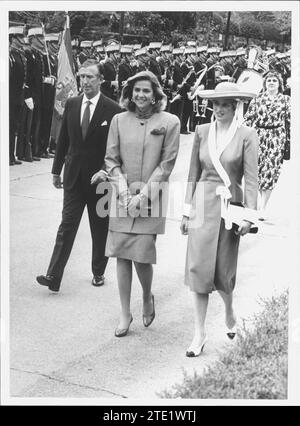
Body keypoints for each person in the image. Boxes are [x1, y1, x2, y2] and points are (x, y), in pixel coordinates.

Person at [180, 82, 259, 357]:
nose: (220, 109)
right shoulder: (202, 131)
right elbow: (193, 172)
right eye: (216, 104)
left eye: (226, 104)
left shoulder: (247, 135)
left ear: (236, 106)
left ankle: (228, 311)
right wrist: (186, 210)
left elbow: (251, 179)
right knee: (199, 270)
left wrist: (249, 215)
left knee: (224, 273)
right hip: (203, 205)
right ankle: (199, 333)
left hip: (230, 208)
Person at [103, 71, 180, 337]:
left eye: (146, 91)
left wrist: (142, 197)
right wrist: (124, 194)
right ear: (129, 93)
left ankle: (147, 296)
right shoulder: (118, 120)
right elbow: (111, 160)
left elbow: (166, 165)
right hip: (121, 196)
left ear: (156, 94)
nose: (141, 95)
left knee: (142, 255)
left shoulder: (170, 121)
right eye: (136, 90)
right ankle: (125, 312)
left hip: (152, 197)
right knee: (121, 255)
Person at [36, 59, 122, 292]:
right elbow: (63, 140)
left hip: (101, 180)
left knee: (100, 228)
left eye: (90, 77)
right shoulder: (72, 104)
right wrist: (56, 170)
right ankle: (53, 276)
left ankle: (98, 271)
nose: (84, 81)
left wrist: (107, 171)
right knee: (67, 226)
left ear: (100, 80)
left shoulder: (113, 109)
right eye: (82, 76)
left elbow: (116, 149)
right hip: (73, 176)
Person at [244, 70, 291, 220]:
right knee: (257, 170)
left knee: (271, 171)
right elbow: (248, 119)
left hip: (277, 138)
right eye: (269, 80)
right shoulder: (257, 99)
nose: (271, 83)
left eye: (274, 80)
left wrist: (289, 141)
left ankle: (263, 206)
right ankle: (258, 200)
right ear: (264, 83)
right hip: (259, 137)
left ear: (279, 84)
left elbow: (290, 122)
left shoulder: (285, 100)